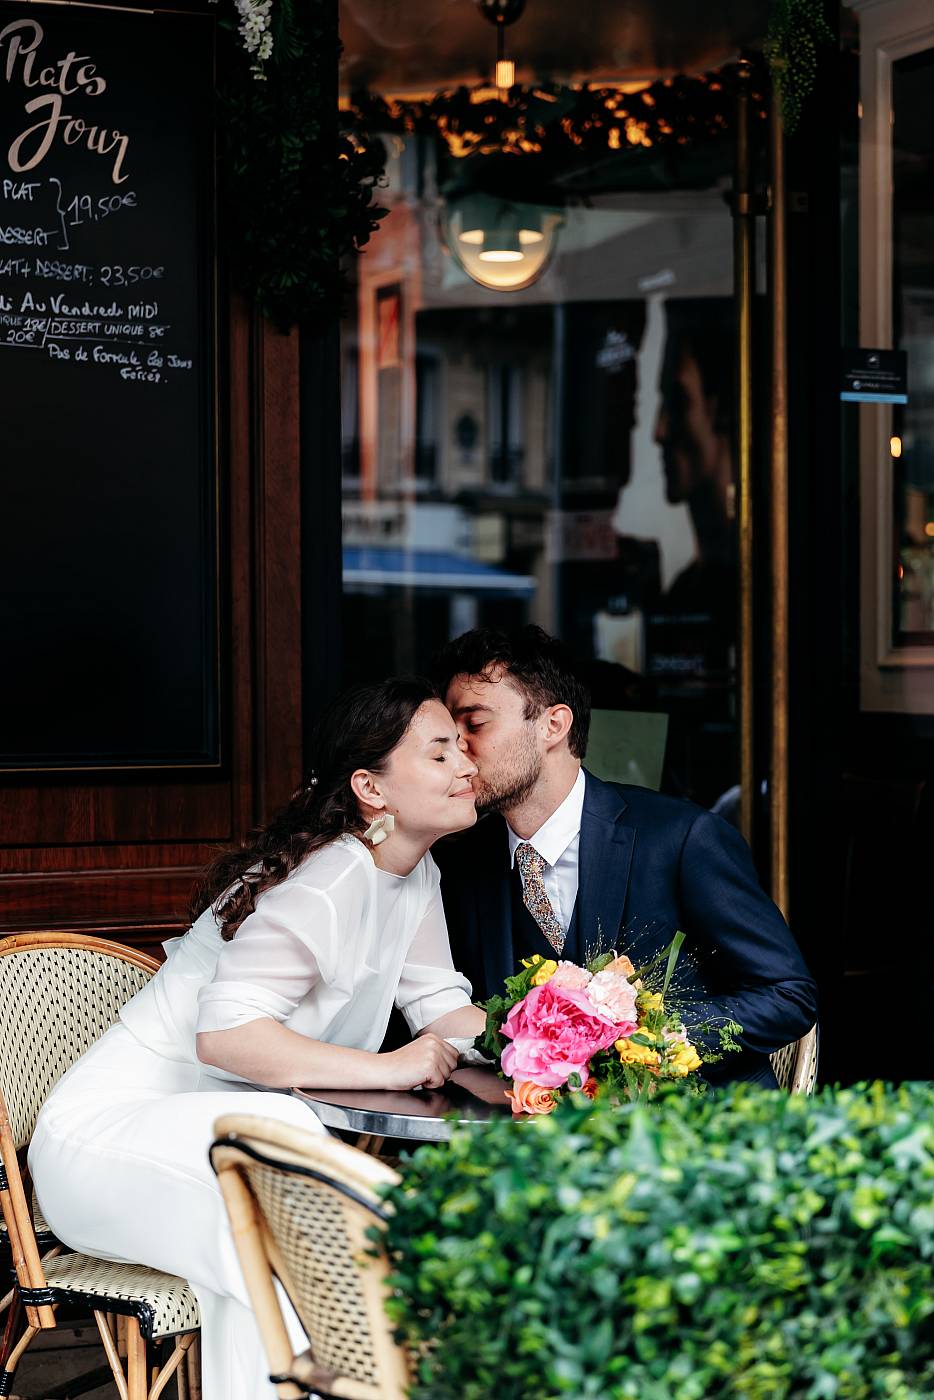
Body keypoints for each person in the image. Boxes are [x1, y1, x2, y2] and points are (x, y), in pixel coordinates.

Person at [29, 678, 485, 1400]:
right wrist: (390, 1067)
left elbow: (437, 1003)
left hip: (218, 1135)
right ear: (372, 787)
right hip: (109, 1143)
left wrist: (560, 1028)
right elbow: (227, 1038)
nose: (467, 766)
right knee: (282, 1163)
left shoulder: (412, 868)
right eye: (440, 754)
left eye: (463, 748)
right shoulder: (328, 878)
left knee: (267, 1221)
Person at [432, 626, 817, 1088]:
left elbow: (787, 995)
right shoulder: (460, 860)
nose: (458, 751)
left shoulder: (682, 838)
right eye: (450, 734)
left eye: (474, 725)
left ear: (554, 725)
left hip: (690, 1132)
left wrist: (641, 1040)